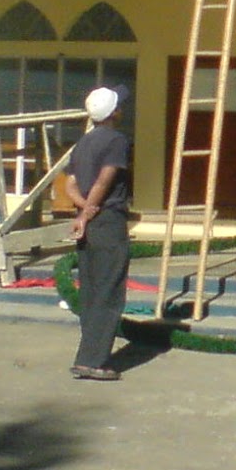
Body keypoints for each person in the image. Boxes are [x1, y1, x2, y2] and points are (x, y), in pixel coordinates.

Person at [64, 86, 132, 381]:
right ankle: (92, 361)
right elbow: (106, 179)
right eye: (120, 106)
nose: (123, 109)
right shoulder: (117, 140)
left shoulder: (83, 143)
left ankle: (86, 356)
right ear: (113, 113)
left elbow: (69, 184)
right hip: (108, 219)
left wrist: (82, 211)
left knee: (91, 290)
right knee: (108, 290)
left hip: (90, 220)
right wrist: (91, 208)